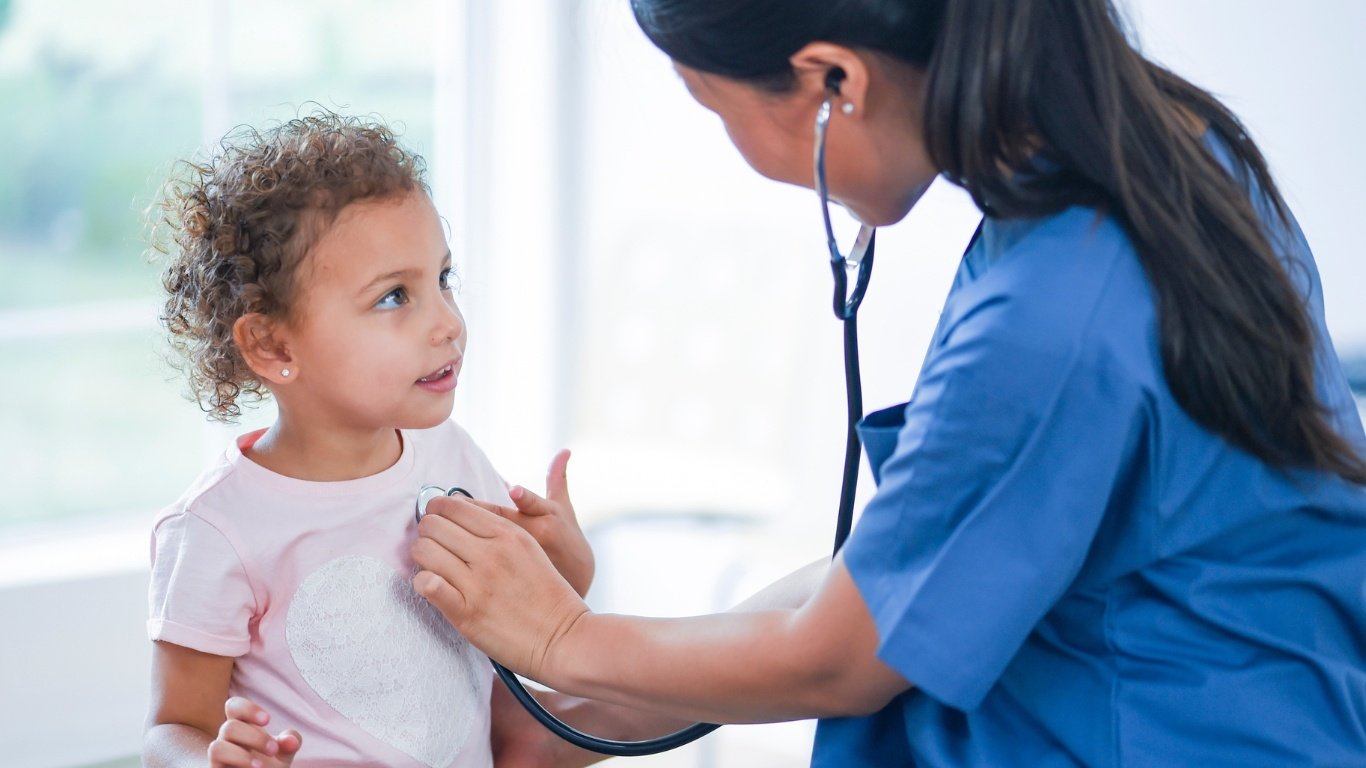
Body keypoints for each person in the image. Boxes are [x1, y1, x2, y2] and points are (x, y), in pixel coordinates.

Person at [411, 1, 1366, 765]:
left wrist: (562, 639)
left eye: (718, 110)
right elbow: (906, 568)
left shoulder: (1053, 312)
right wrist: (579, 704)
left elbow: (841, 658)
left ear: (836, 81)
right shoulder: (1160, 164)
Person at [141, 110, 594, 768]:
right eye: (393, 298)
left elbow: (523, 630)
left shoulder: (453, 455)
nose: (447, 323)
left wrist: (570, 569)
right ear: (272, 344)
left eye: (443, 280)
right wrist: (208, 760)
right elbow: (171, 727)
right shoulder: (215, 531)